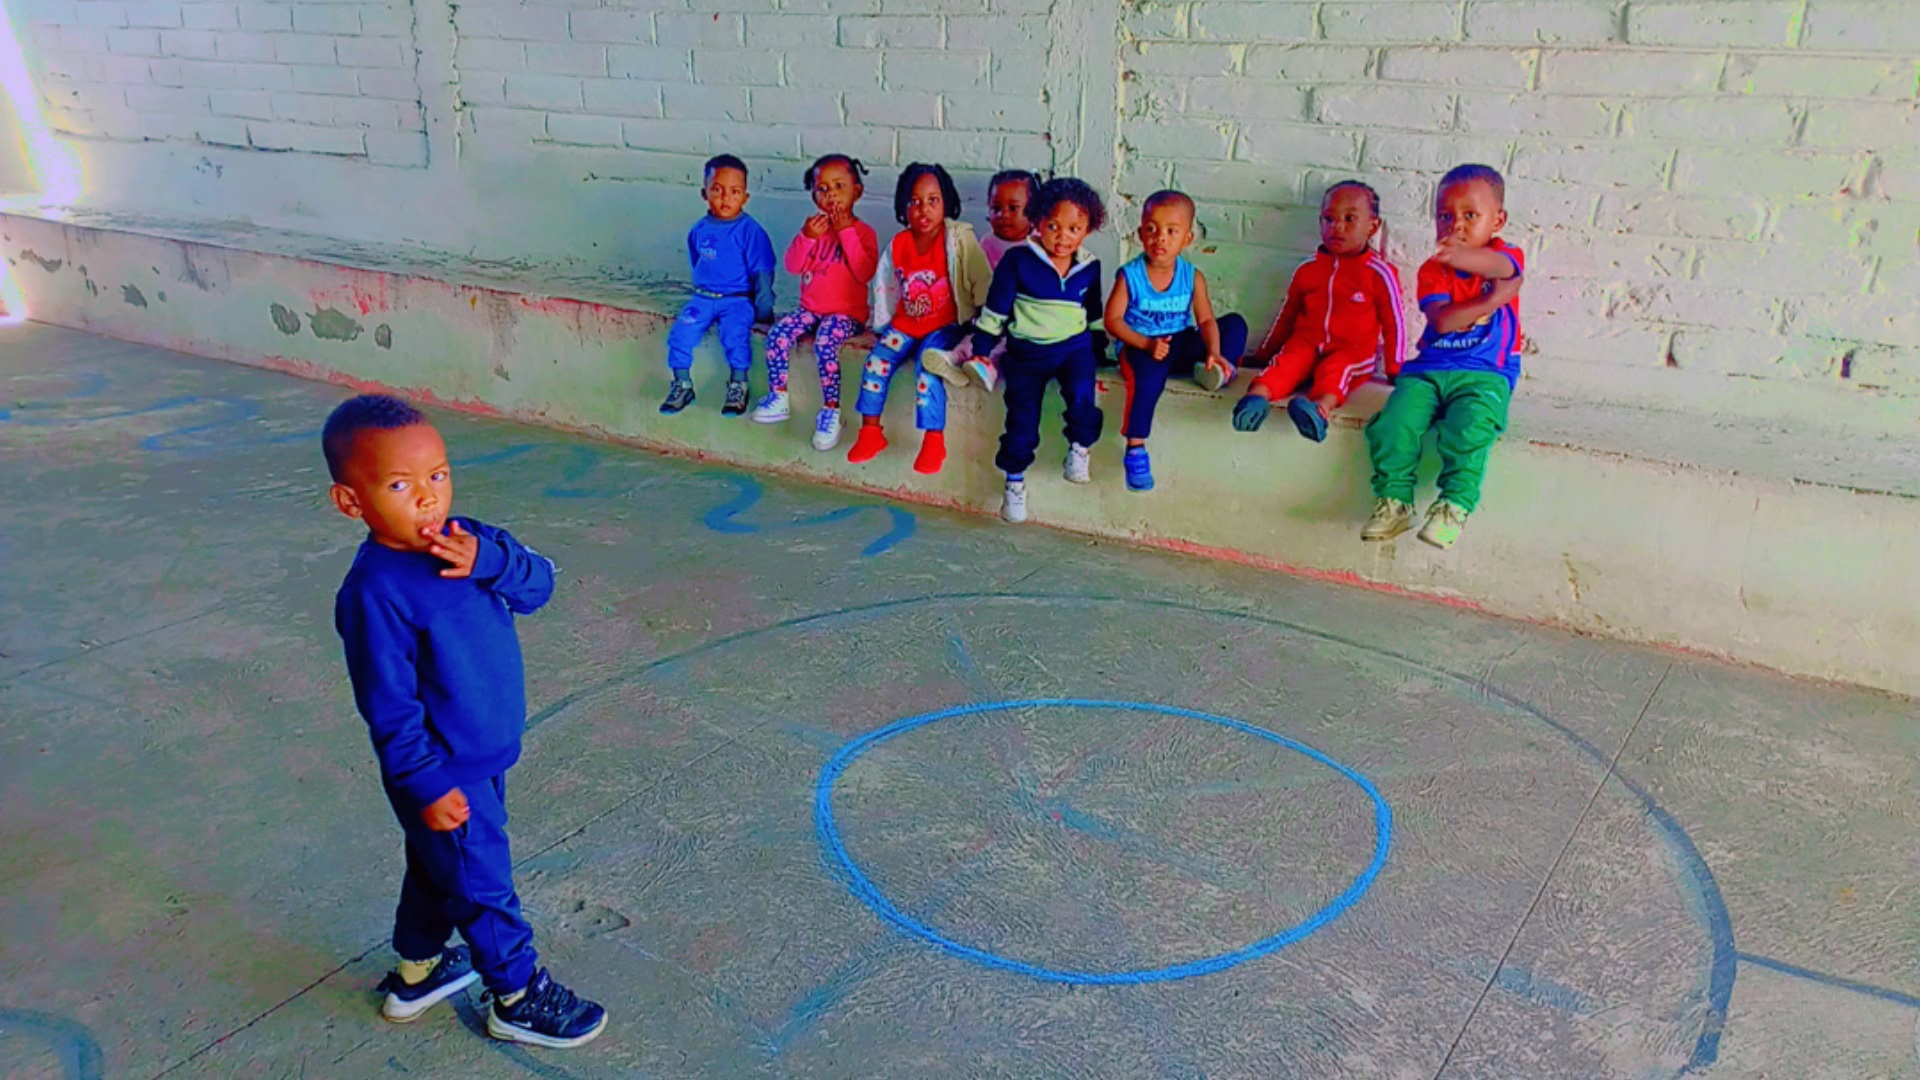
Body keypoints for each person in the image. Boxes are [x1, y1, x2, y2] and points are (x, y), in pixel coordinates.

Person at [324, 394, 607, 1048]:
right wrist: (426, 784)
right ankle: (516, 994)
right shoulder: (373, 593)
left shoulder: (470, 540)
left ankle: (417, 974)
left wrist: (491, 562)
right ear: (351, 501)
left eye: (438, 475)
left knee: (438, 867)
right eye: (400, 485)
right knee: (481, 883)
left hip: (482, 751)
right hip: (442, 771)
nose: (428, 497)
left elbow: (539, 586)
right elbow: (388, 706)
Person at [1364, 164, 1524, 550]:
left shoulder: (1506, 255)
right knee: (1394, 422)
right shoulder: (1433, 271)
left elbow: (1503, 268)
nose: (1456, 226)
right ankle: (1394, 501)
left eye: (1470, 215)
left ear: (1497, 221)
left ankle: (1454, 506)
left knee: (1471, 428)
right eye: (1445, 216)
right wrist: (1494, 298)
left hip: (1486, 373)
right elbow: (1444, 320)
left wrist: (1469, 263)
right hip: (1429, 370)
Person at [971, 177, 1108, 523]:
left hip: (1074, 349)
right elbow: (996, 309)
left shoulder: (1090, 266)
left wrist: (1099, 345)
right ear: (1037, 222)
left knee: (1082, 394)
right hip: (1027, 354)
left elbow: (1093, 311)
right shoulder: (1018, 261)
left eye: (1074, 228)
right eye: (1053, 226)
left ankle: (1079, 448)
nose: (1063, 237)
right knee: (1022, 418)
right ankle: (1014, 482)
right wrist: (982, 348)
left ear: (1088, 229)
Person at [848, 162, 993, 476]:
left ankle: (933, 440)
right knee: (876, 362)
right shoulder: (899, 244)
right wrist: (882, 323)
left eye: (932, 200)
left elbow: (981, 278)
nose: (923, 209)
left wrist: (984, 318)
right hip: (905, 325)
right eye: (914, 201)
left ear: (946, 203)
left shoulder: (958, 239)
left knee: (927, 368)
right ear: (902, 207)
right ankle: (870, 431)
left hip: (944, 327)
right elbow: (885, 283)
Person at [1233, 180, 1405, 443]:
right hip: (1307, 342)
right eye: (1329, 218)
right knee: (1285, 364)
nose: (1337, 226)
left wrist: (1396, 369)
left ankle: (1318, 410)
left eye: (1349, 219)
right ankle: (1255, 400)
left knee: (1336, 371)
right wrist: (1264, 355)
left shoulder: (1379, 274)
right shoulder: (1308, 269)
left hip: (1353, 351)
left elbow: (1395, 323)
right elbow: (1287, 316)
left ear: (1372, 226)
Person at [1103, 189, 1248, 491]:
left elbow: (1205, 321)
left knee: (1234, 324)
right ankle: (1135, 448)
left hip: (1178, 343)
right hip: (1141, 346)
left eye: (1171, 231)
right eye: (1152, 229)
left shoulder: (1192, 276)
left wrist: (1213, 350)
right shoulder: (1130, 276)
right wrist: (1146, 344)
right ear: (1140, 234)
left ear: (1187, 239)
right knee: (1147, 379)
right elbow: (1113, 321)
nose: (1161, 238)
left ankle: (1216, 368)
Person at [751, 154, 880, 452]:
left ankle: (831, 412)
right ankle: (778, 396)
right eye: (822, 189)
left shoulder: (864, 233)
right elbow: (792, 265)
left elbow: (865, 272)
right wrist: (806, 237)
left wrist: (846, 231)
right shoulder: (814, 229)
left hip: (846, 315)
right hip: (810, 310)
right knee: (778, 333)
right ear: (813, 195)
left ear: (857, 191)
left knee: (825, 343)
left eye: (839, 186)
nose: (830, 194)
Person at [661, 154, 776, 417]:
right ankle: (682, 384)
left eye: (735, 192)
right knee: (680, 334)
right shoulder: (699, 229)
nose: (726, 198)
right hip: (703, 298)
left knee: (734, 336)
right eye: (717, 190)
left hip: (737, 300)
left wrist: (764, 311)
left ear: (745, 197)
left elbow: (762, 273)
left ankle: (738, 384)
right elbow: (698, 261)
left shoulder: (750, 231)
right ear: (704, 194)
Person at [920, 168, 1040, 393]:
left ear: (1033, 211)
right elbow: (975, 280)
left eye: (1013, 208)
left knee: (1005, 345)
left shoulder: (1038, 246)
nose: (1003, 215)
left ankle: (988, 367)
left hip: (1022, 318)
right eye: (996, 208)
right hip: (989, 314)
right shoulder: (985, 244)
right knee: (974, 337)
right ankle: (952, 358)